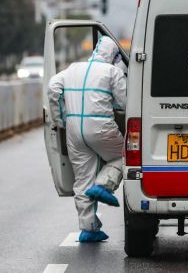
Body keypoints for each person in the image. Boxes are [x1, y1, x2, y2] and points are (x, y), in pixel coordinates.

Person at [47, 36, 127, 243]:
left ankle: (89, 229)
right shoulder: (113, 72)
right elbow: (127, 103)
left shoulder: (73, 69)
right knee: (125, 155)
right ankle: (103, 185)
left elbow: (53, 87)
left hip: (74, 131)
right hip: (102, 128)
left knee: (82, 179)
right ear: (113, 55)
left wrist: (61, 119)